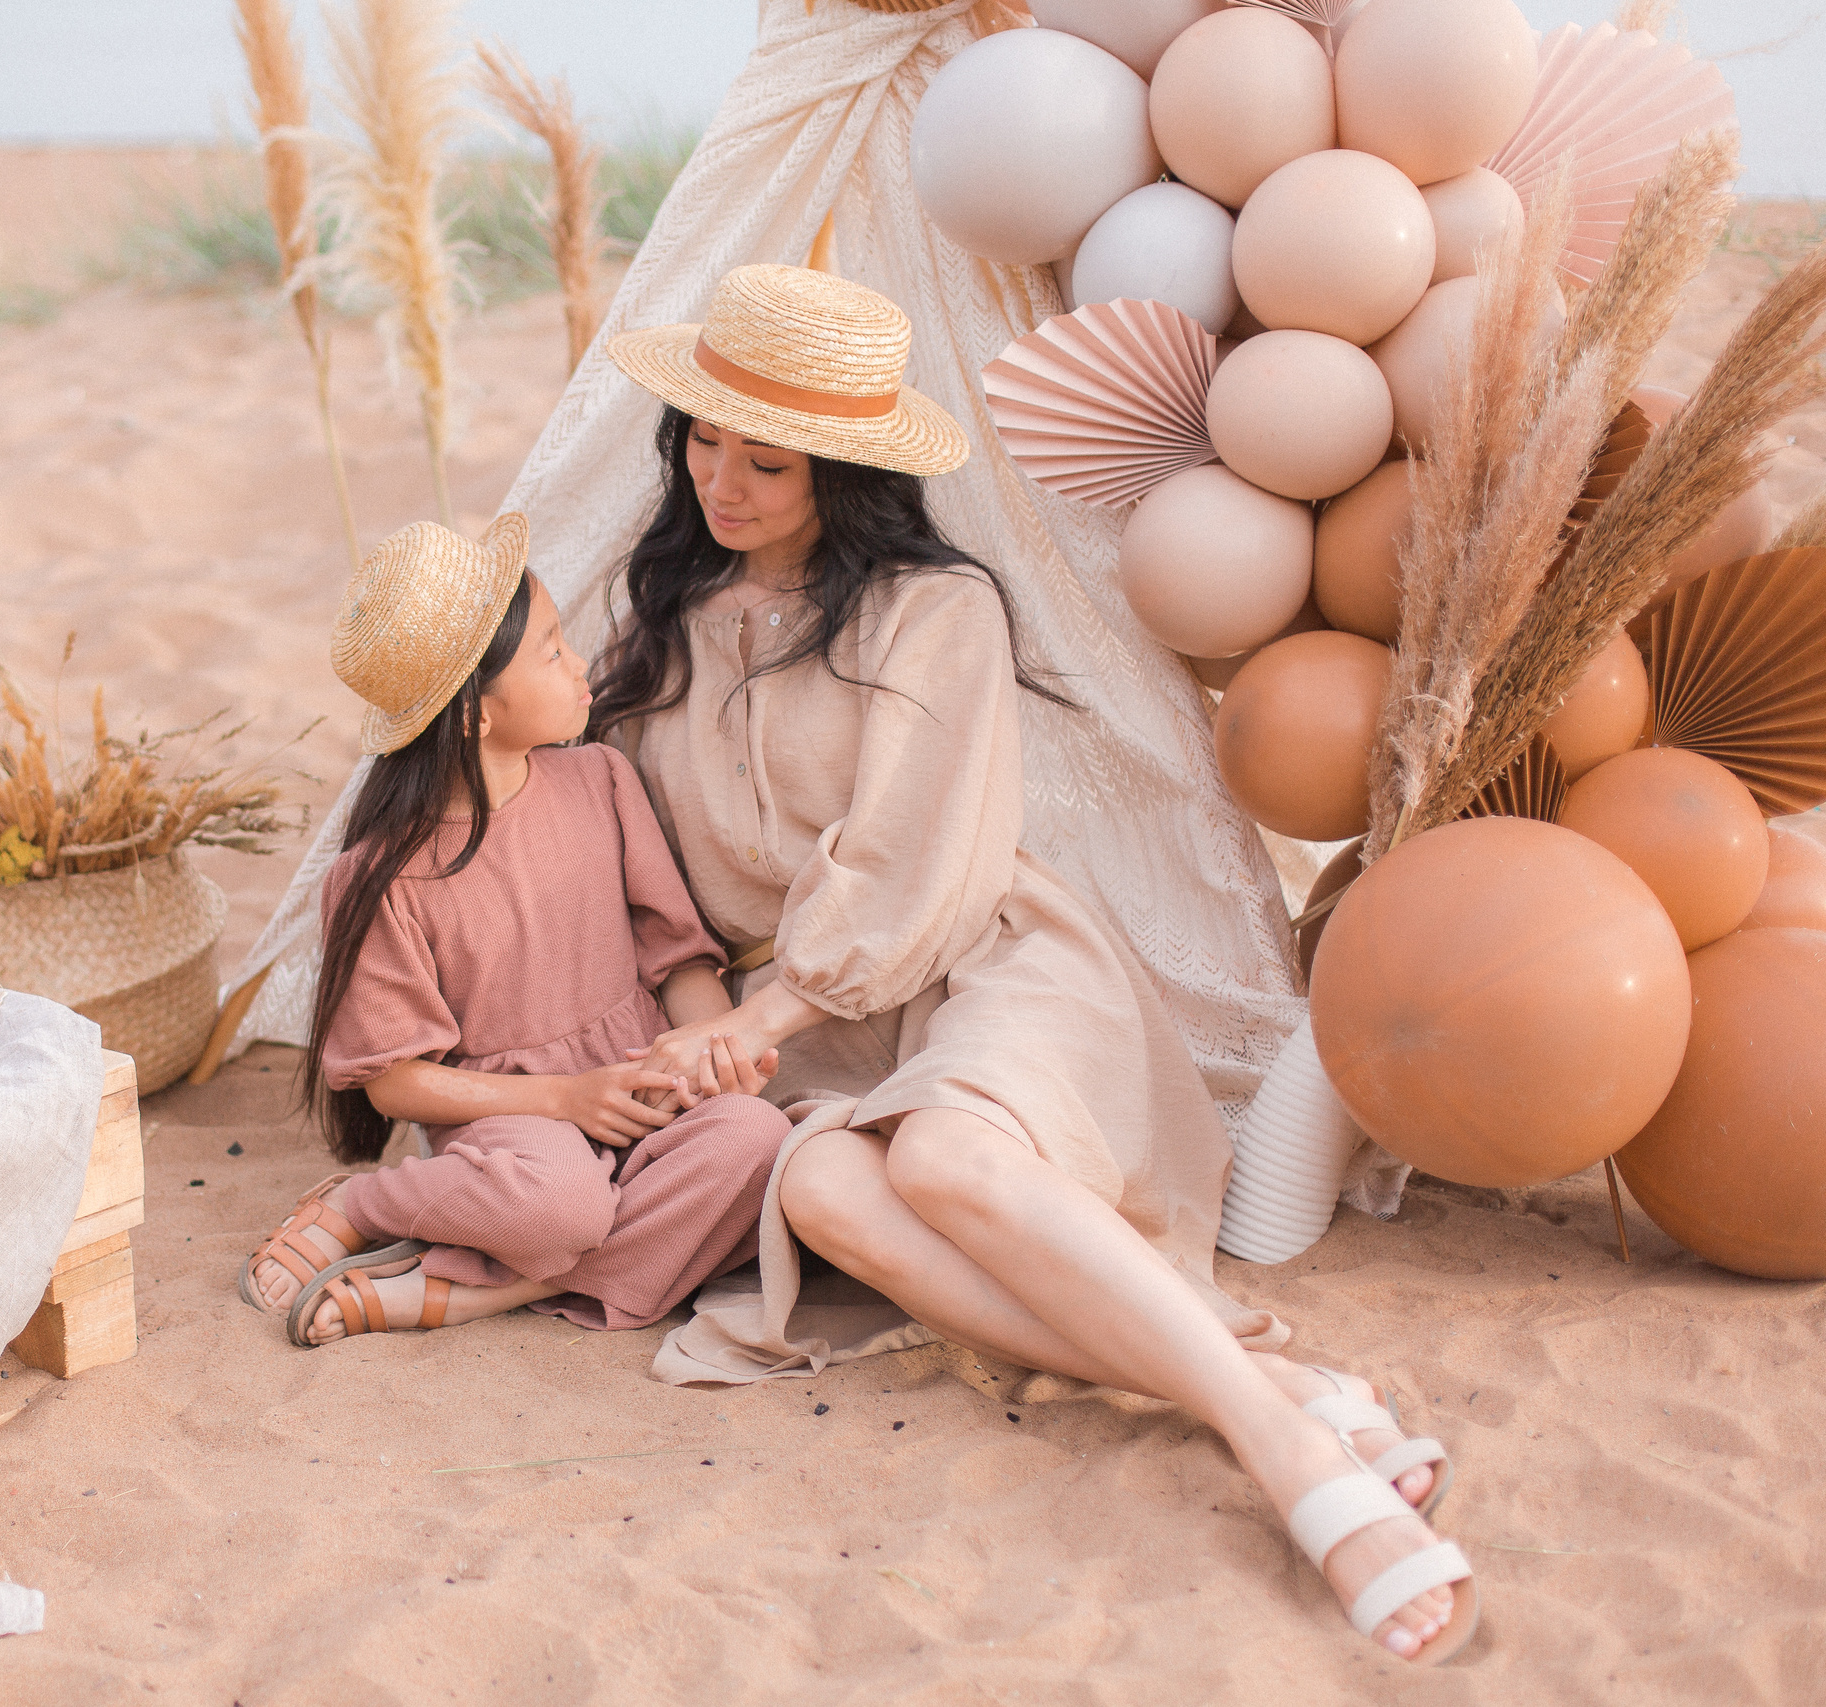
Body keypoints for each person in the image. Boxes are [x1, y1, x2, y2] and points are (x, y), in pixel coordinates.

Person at [588, 263, 1479, 1662]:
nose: (722, 482)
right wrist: (709, 1027)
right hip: (803, 1032)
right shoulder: (655, 625)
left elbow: (911, 859)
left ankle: (1282, 1451)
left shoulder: (931, 609)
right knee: (821, 1188)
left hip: (979, 958)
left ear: (842, 472)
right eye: (703, 440)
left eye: (767, 460)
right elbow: (650, 884)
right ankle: (1285, 1385)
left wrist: (757, 1023)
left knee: (946, 1160)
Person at [240, 513, 793, 1348]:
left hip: (637, 1087)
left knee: (758, 1137)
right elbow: (396, 1082)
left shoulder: (601, 777)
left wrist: (713, 1048)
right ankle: (362, 1203)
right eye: (551, 651)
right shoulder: (381, 878)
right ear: (474, 715)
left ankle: (486, 1290)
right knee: (559, 1204)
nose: (579, 665)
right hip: (512, 1125)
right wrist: (565, 1098)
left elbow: (677, 958)